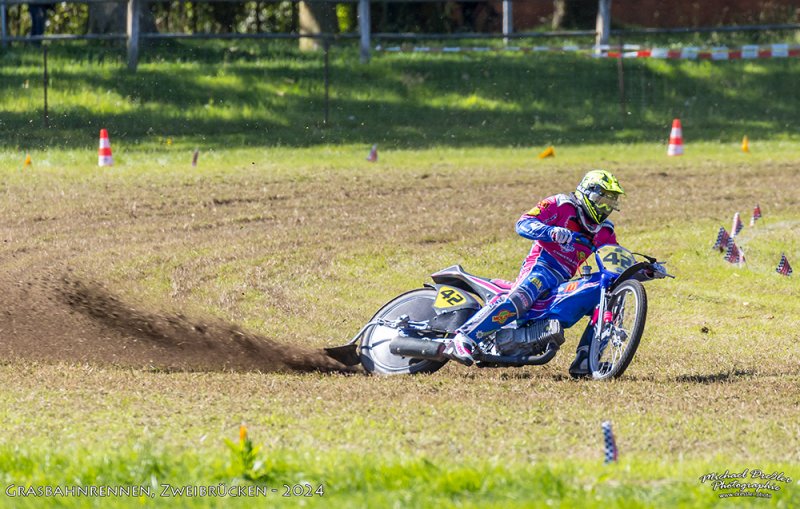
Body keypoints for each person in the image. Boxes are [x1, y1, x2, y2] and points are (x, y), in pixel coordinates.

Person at [443, 169, 625, 375]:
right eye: (602, 199)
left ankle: (586, 361)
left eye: (611, 202)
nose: (605, 207)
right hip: (541, 267)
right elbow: (523, 223)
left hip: (563, 279)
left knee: (609, 302)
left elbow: (613, 256)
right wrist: (551, 232)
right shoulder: (561, 204)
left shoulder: (605, 230)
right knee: (522, 297)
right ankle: (464, 338)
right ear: (587, 192)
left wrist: (641, 270)